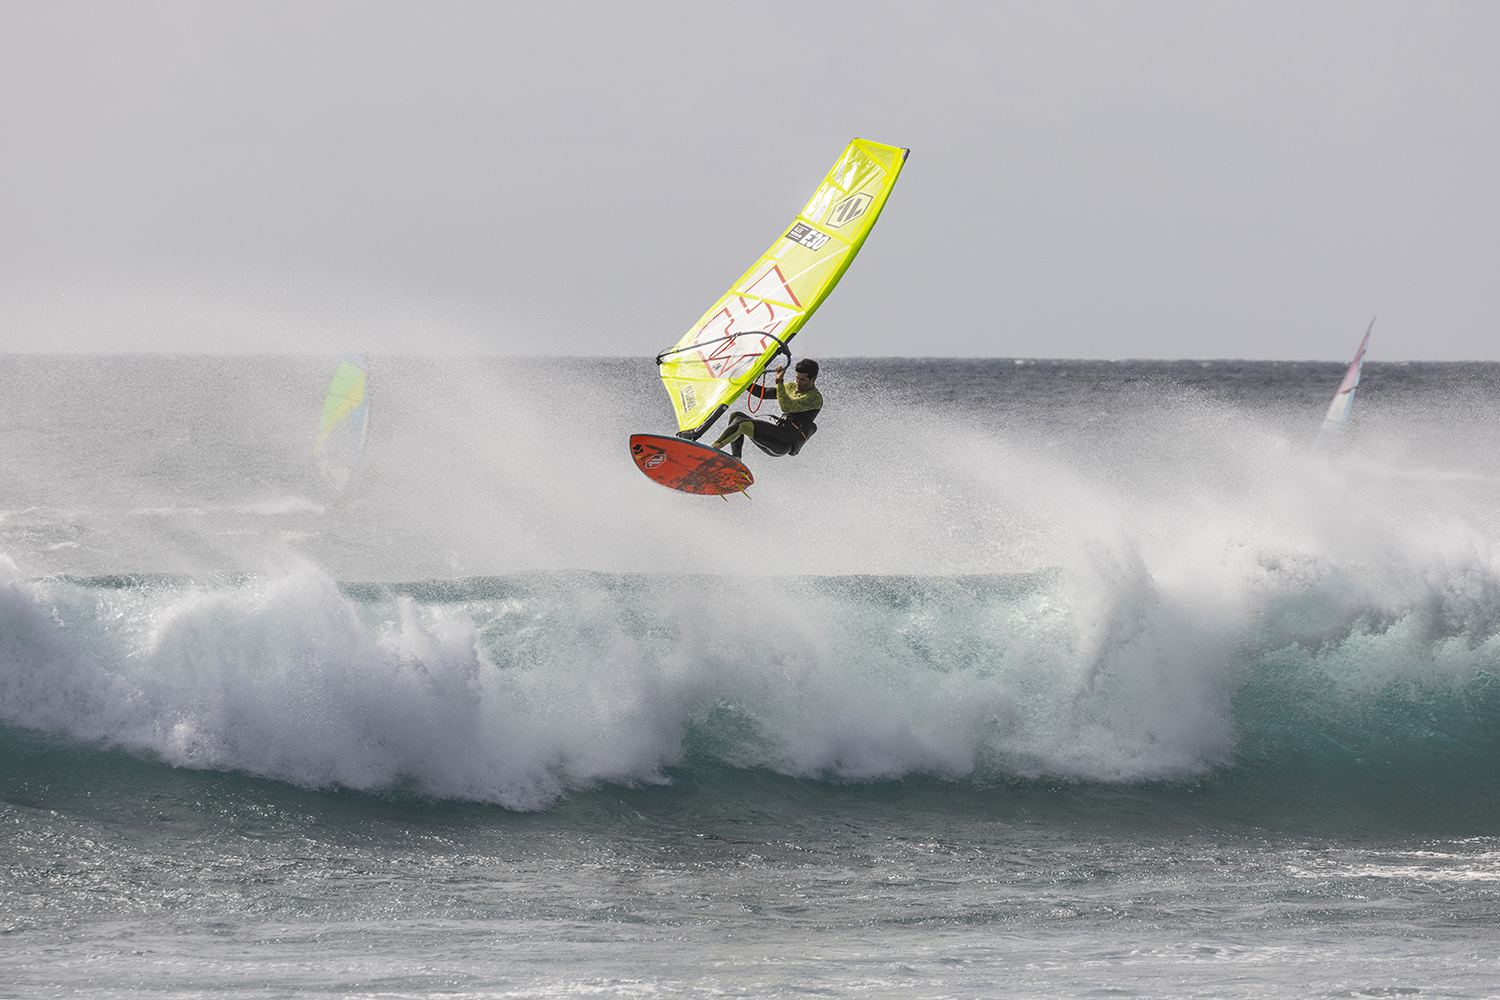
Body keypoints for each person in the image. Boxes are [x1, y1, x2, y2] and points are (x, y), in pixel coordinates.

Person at [711, 358, 822, 459]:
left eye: (802, 380)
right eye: (797, 378)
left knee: (742, 424)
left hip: (784, 442)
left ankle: (714, 448)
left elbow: (786, 406)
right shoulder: (791, 387)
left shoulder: (814, 398)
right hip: (776, 434)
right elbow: (762, 393)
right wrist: (742, 379)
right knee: (736, 416)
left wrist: (779, 381)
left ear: (813, 379)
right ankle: (736, 458)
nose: (798, 383)